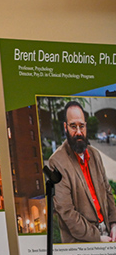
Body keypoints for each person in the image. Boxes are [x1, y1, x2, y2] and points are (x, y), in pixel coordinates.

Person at [47, 100, 116, 242]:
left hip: (108, 231)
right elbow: (67, 213)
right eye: (73, 126)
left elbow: (107, 191)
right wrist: (98, 237)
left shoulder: (95, 154)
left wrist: (114, 223)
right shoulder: (56, 162)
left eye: (81, 126)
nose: (78, 132)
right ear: (65, 127)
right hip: (82, 242)